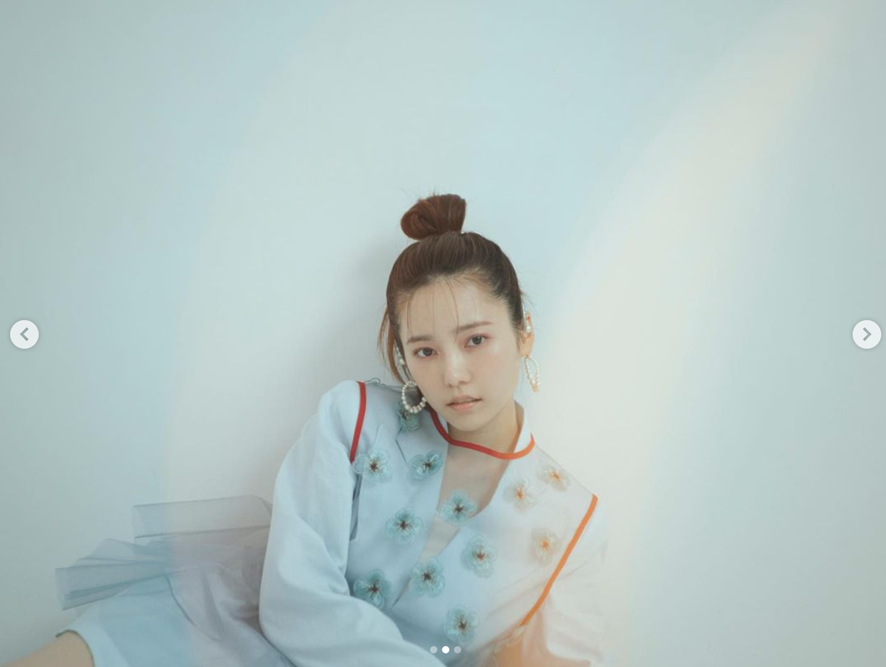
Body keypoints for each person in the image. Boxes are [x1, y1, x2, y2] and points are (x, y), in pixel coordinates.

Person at [5, 193, 612, 667]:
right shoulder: (354, 418)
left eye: (475, 340)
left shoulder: (571, 521)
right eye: (424, 351)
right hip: (226, 630)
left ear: (524, 332)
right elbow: (295, 596)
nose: (452, 374)